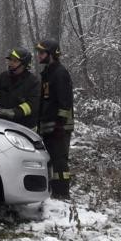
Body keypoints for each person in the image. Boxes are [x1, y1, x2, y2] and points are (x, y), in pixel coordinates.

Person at [35, 39, 74, 199]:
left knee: (60, 162)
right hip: (49, 127)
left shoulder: (60, 73)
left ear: (51, 54)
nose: (39, 55)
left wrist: (60, 124)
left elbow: (65, 102)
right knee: (51, 160)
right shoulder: (48, 73)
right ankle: (53, 191)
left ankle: (62, 194)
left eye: (42, 52)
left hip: (59, 128)